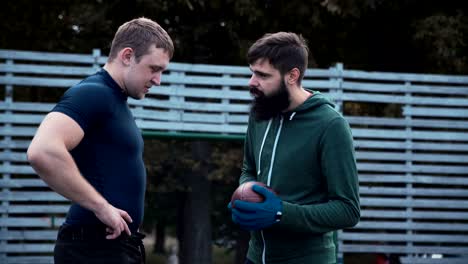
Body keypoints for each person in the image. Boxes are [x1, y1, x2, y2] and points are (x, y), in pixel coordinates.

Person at [27, 17, 174, 264]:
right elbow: (42, 151)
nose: (158, 80)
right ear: (127, 56)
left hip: (112, 247)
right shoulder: (93, 93)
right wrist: (101, 207)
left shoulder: (114, 100)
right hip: (93, 249)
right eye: (154, 69)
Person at [228, 32, 360, 264]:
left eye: (262, 74)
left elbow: (348, 210)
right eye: (252, 72)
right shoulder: (260, 112)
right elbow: (249, 167)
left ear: (292, 76)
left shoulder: (331, 126)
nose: (251, 81)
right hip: (255, 257)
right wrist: (245, 195)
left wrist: (280, 213)